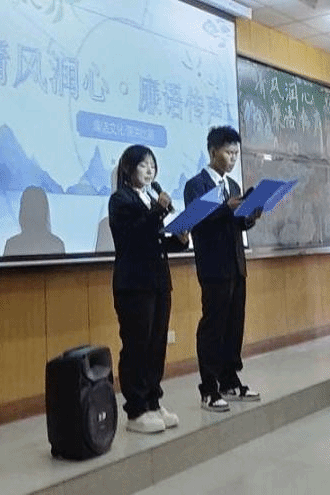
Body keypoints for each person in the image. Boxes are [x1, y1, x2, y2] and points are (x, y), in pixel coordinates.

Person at [107, 145, 189, 434]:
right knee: (137, 346)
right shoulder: (121, 200)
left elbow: (156, 240)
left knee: (156, 344)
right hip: (133, 284)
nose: (150, 170)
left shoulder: (150, 199)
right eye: (143, 165)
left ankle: (153, 402)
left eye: (152, 165)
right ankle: (137, 410)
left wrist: (180, 239)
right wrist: (158, 210)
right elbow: (134, 236)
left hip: (158, 282)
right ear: (128, 169)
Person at [184, 126, 263, 412]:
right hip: (213, 267)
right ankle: (209, 388)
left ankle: (229, 380)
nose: (233, 158)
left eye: (236, 153)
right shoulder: (196, 185)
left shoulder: (233, 186)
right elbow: (195, 220)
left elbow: (238, 223)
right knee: (213, 327)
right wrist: (225, 208)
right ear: (212, 151)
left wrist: (251, 214)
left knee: (233, 326)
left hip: (236, 265)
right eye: (228, 152)